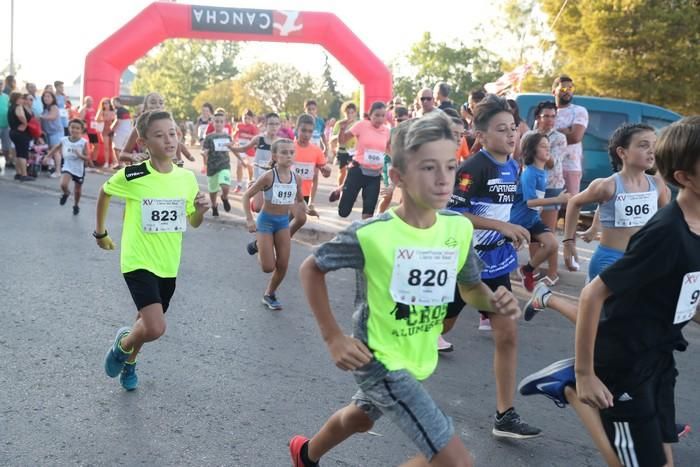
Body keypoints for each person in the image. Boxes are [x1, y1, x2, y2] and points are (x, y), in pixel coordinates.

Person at [289, 113, 522, 467]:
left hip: (416, 352)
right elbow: (312, 268)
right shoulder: (372, 234)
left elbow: (471, 288)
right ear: (398, 177)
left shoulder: (457, 229)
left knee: (361, 417)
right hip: (378, 359)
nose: (444, 179)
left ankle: (306, 455)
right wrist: (334, 336)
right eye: (429, 168)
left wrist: (494, 301)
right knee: (455, 462)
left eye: (450, 166)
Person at [519, 116, 700, 467]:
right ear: (684, 178)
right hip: (624, 360)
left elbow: (688, 290)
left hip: (659, 357)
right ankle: (574, 384)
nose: (647, 151)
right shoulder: (666, 233)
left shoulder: (681, 215)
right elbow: (592, 295)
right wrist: (587, 374)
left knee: (664, 460)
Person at [445, 95, 541, 439]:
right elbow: (453, 213)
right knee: (436, 330)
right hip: (464, 266)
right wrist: (500, 227)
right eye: (501, 129)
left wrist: (523, 231)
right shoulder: (474, 167)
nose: (511, 134)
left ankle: (505, 415)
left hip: (497, 265)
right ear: (481, 135)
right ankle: (391, 378)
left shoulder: (512, 166)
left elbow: (506, 209)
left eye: (513, 128)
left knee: (508, 334)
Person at [98, 110, 209, 391]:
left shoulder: (186, 178)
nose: (169, 140)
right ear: (145, 142)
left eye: (172, 133)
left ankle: (131, 363)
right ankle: (122, 347)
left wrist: (202, 210)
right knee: (156, 327)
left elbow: (193, 222)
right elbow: (105, 191)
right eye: (159, 135)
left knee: (144, 324)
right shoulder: (134, 174)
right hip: (137, 260)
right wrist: (101, 232)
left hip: (168, 263)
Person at [241, 138, 303, 311]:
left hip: (282, 223)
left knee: (283, 265)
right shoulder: (268, 177)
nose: (289, 155)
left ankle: (269, 294)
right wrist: (249, 219)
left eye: (291, 152)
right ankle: (259, 244)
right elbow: (246, 196)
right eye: (284, 152)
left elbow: (299, 200)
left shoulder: (296, 178)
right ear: (275, 155)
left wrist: (307, 208)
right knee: (268, 267)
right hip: (266, 222)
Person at [510, 133, 571, 291]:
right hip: (517, 221)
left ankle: (527, 270)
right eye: (543, 146)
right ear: (533, 150)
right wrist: (558, 200)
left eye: (548, 146)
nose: (548, 149)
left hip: (532, 219)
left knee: (552, 244)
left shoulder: (542, 172)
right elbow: (530, 202)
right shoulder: (529, 173)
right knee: (500, 259)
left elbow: (537, 202)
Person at [521, 101, 568, 285]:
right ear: (538, 118)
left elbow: (552, 162)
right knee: (533, 231)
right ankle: (534, 270)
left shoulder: (559, 138)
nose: (550, 120)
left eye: (553, 116)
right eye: (546, 116)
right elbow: (523, 159)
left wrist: (540, 147)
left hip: (552, 186)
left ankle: (553, 271)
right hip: (533, 185)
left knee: (548, 231)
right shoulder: (528, 136)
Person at [337, 102, 391, 219]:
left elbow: (391, 151)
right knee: (343, 211)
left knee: (368, 214)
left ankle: (362, 236)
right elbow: (342, 141)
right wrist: (342, 130)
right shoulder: (362, 125)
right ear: (370, 115)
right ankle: (342, 192)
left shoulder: (386, 131)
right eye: (377, 115)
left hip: (375, 176)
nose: (380, 119)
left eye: (383, 115)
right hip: (357, 171)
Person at [232, 112, 281, 214]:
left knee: (272, 207)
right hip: (259, 178)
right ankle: (253, 202)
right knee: (258, 207)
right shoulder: (259, 139)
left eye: (277, 124)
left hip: (274, 178)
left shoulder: (281, 142)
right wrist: (231, 147)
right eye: (271, 124)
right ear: (265, 125)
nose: (274, 127)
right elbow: (244, 148)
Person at [201, 111, 246, 216]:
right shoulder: (209, 137)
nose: (219, 124)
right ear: (213, 123)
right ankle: (214, 205)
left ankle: (224, 197)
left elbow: (233, 149)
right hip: (212, 167)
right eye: (216, 121)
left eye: (221, 121)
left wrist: (242, 160)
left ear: (224, 123)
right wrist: (204, 156)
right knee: (213, 191)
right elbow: (205, 151)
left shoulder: (227, 136)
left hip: (224, 165)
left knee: (225, 186)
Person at [553, 75, 588, 196]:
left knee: (570, 206)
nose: (567, 91)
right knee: (548, 206)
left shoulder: (579, 111)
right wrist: (566, 130)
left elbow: (575, 137)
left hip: (570, 167)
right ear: (554, 91)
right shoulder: (547, 112)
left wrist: (552, 133)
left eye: (570, 88)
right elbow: (539, 139)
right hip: (548, 166)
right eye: (563, 89)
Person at [46, 119, 88, 214]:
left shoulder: (83, 142)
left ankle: (76, 205)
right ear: (69, 128)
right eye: (72, 127)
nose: (75, 130)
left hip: (79, 168)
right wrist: (47, 156)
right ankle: (66, 193)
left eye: (77, 128)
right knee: (63, 184)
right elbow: (56, 148)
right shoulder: (64, 140)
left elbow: (87, 157)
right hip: (68, 166)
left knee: (77, 190)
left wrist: (80, 155)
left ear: (81, 130)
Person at [294, 113, 332, 216]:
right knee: (291, 221)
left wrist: (327, 171)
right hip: (287, 193)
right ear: (297, 129)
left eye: (310, 131)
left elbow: (324, 174)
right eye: (303, 130)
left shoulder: (316, 151)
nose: (306, 134)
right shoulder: (289, 147)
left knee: (298, 221)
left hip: (304, 194)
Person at [329, 102, 359, 202]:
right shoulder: (339, 124)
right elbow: (332, 137)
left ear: (355, 113)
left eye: (352, 112)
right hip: (342, 150)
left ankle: (347, 191)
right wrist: (333, 147)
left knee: (352, 172)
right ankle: (340, 189)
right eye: (348, 112)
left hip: (354, 151)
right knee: (342, 171)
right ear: (344, 113)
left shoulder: (358, 124)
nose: (350, 114)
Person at [8, 92, 34, 181]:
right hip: (20, 133)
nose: (23, 99)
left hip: (13, 131)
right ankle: (24, 174)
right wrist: (25, 123)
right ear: (17, 99)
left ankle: (18, 173)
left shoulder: (11, 107)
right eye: (21, 98)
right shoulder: (18, 107)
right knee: (22, 154)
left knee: (19, 153)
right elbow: (20, 115)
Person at [233, 109, 259, 192]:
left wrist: (247, 135)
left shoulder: (253, 127)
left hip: (250, 150)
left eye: (248, 118)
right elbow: (233, 136)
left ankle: (249, 182)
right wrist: (235, 133)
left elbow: (257, 138)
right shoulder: (239, 125)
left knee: (249, 167)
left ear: (251, 119)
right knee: (239, 166)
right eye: (244, 117)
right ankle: (239, 185)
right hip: (241, 149)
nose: (246, 120)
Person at [111, 96, 132, 168]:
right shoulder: (126, 110)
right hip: (128, 131)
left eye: (113, 103)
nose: (112, 105)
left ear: (117, 102)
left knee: (116, 148)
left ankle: (120, 164)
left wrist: (111, 128)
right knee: (124, 149)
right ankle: (127, 165)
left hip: (120, 132)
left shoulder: (119, 110)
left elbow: (117, 121)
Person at [79, 96, 99, 168]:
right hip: (87, 131)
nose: (90, 102)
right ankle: (86, 162)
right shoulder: (83, 109)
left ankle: (93, 160)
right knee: (86, 147)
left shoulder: (93, 109)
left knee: (96, 146)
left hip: (93, 130)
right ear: (85, 101)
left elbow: (94, 119)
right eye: (88, 101)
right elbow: (80, 120)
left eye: (91, 101)